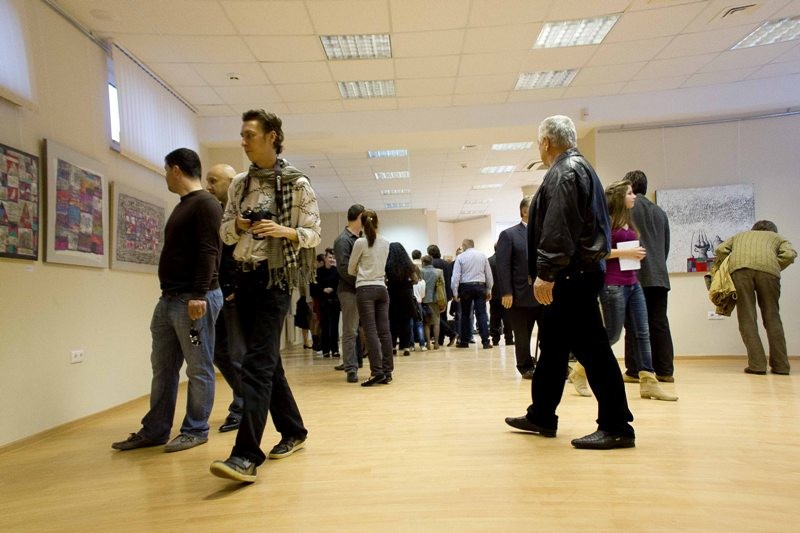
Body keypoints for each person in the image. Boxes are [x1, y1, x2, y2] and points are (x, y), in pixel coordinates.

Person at [504, 114, 635, 450]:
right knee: (553, 347)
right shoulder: (577, 168)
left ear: (546, 142)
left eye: (539, 143)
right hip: (576, 272)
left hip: (571, 275)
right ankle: (542, 415)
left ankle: (617, 426)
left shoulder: (566, 172)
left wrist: (546, 272)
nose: (539, 147)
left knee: (593, 349)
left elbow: (559, 227)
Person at [210, 109, 320, 483]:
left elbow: (313, 235)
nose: (243, 141)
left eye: (250, 135)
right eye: (242, 135)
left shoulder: (297, 184)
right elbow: (225, 234)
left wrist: (282, 230)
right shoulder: (239, 185)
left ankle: (245, 455)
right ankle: (294, 431)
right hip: (244, 278)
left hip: (276, 279)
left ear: (272, 137)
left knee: (256, 364)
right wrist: (240, 223)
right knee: (267, 363)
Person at [112, 148, 223, 453]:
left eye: (165, 171)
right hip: (169, 300)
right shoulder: (184, 205)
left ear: (176, 169)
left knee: (198, 368)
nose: (165, 177)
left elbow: (209, 251)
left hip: (193, 301)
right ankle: (155, 430)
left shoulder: (206, 204)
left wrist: (199, 294)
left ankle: (196, 429)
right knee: (162, 368)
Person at [594, 180, 677, 401]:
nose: (634, 197)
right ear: (619, 197)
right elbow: (598, 252)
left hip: (633, 282)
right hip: (613, 284)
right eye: (630, 193)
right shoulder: (606, 222)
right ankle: (582, 368)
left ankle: (648, 381)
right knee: (612, 334)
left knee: (642, 332)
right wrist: (626, 253)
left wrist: (635, 254)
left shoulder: (628, 222)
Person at [712, 220, 796, 375]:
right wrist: (774, 264)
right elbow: (790, 254)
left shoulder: (740, 236)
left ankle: (757, 365)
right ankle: (781, 366)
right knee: (772, 317)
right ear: (773, 230)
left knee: (747, 318)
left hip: (740, 271)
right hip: (769, 273)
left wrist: (732, 261)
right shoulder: (777, 238)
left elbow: (720, 249)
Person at [621, 170, 676, 383]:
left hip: (636, 274)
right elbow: (665, 247)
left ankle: (635, 370)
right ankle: (665, 370)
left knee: (634, 323)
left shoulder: (628, 209)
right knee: (659, 323)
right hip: (659, 276)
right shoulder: (660, 212)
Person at [206, 163, 247, 432]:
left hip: (234, 293)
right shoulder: (216, 212)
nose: (208, 186)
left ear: (231, 183)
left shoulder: (242, 213)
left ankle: (242, 406)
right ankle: (246, 399)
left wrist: (237, 287)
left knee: (235, 354)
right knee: (218, 352)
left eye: (213, 181)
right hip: (215, 291)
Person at [496, 196, 540, 379]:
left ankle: (550, 365)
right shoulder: (509, 235)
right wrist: (506, 292)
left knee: (550, 332)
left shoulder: (543, 232)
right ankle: (525, 366)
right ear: (524, 211)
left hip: (544, 293)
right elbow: (503, 266)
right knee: (522, 334)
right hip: (520, 294)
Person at [348, 208, 393, 386]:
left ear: (362, 223)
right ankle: (387, 371)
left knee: (370, 331)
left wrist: (362, 269)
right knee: (384, 331)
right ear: (377, 222)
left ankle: (377, 372)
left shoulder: (360, 242)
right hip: (382, 288)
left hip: (365, 289)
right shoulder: (386, 242)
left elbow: (350, 269)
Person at [333, 204, 365, 382]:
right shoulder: (343, 240)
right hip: (349, 290)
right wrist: (361, 282)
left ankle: (357, 361)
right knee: (350, 330)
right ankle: (351, 368)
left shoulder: (362, 238)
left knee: (358, 330)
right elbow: (343, 269)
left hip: (362, 288)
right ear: (359, 216)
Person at [451, 239, 493, 349]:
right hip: (480, 286)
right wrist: (489, 289)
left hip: (466, 287)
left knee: (465, 314)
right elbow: (488, 274)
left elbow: (455, 276)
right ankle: (485, 342)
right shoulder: (482, 256)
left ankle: (464, 341)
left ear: (465, 245)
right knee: (482, 314)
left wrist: (455, 291)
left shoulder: (460, 257)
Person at [386, 241, 418, 357]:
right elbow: (415, 279)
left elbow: (384, 280)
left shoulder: (387, 265)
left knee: (393, 322)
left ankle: (393, 347)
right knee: (406, 322)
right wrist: (407, 283)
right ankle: (406, 347)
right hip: (406, 295)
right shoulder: (408, 264)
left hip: (392, 294)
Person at [311, 248, 340, 358]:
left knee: (334, 326)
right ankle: (326, 350)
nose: (331, 259)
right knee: (325, 326)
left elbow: (339, 284)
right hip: (323, 302)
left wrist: (332, 289)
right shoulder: (318, 272)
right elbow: (314, 286)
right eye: (329, 257)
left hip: (335, 301)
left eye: (333, 258)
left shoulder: (337, 271)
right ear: (325, 258)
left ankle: (335, 350)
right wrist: (323, 290)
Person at [428, 244, 457, 347]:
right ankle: (440, 339)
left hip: (435, 294)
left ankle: (450, 333)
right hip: (446, 293)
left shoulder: (431, 264)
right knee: (443, 316)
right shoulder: (446, 263)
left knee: (435, 316)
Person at [488, 244, 514, 347]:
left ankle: (495, 339)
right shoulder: (507, 260)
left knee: (494, 317)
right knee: (507, 317)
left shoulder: (489, 261)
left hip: (493, 293)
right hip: (506, 293)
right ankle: (509, 339)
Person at [420, 255, 445, 350]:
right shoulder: (439, 271)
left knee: (426, 323)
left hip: (424, 299)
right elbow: (442, 288)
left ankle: (428, 344)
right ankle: (437, 343)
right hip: (436, 299)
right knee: (436, 322)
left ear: (423, 262)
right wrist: (444, 302)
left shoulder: (421, 271)